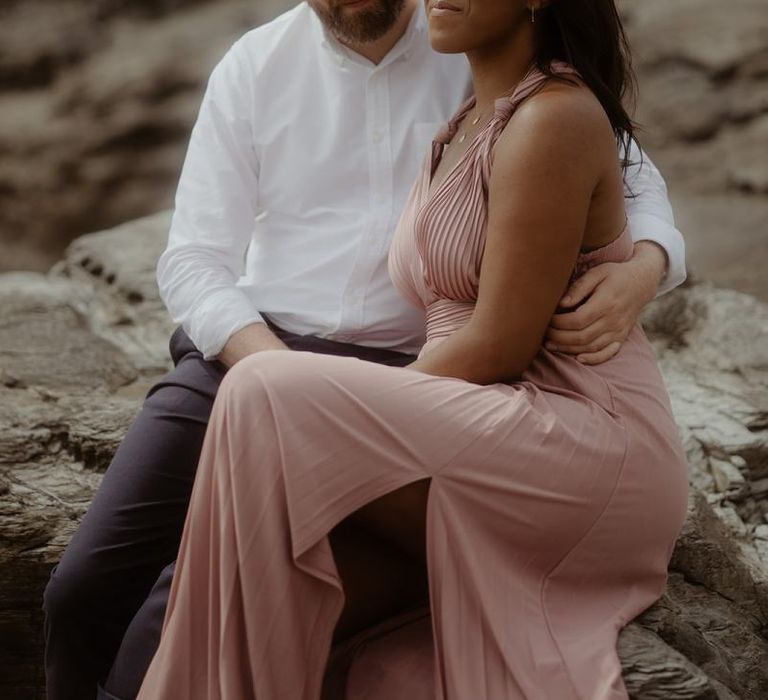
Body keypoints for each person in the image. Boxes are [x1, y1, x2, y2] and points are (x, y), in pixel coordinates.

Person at [41, 0, 686, 698]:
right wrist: (275, 374)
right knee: (79, 594)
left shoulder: (470, 48)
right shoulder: (257, 66)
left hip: (415, 376)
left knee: (203, 592)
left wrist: (647, 264)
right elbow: (194, 258)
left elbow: (620, 165)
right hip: (260, 354)